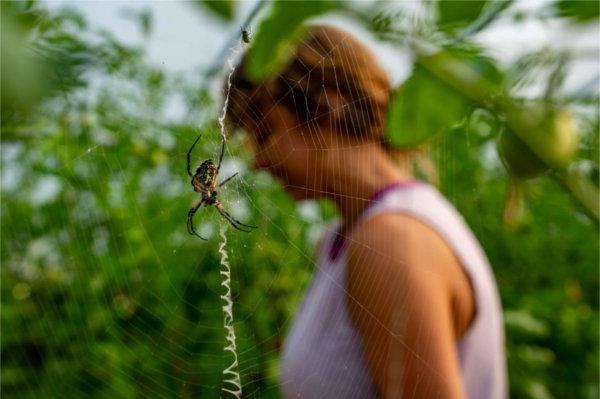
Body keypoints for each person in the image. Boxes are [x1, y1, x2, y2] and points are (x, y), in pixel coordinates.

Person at [225, 25, 507, 399]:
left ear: (328, 105)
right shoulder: (341, 236)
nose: (258, 162)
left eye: (265, 133)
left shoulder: (391, 241)